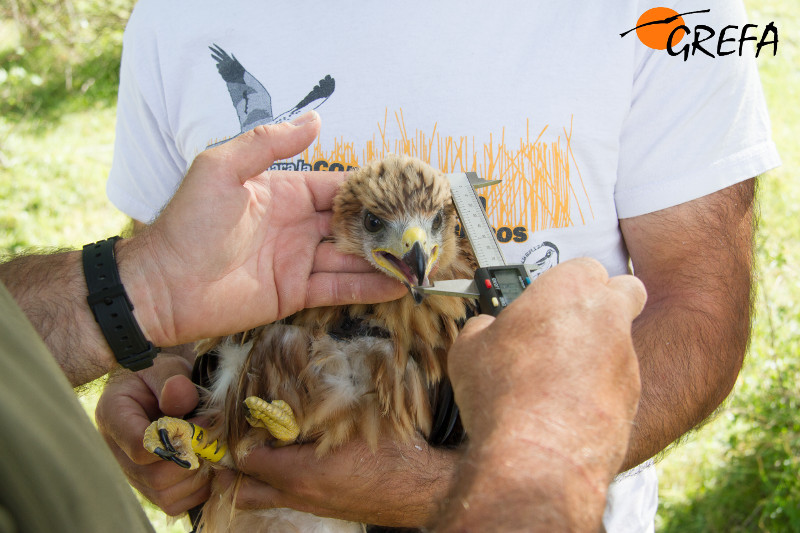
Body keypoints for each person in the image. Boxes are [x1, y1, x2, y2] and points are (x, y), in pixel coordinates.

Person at [98, 1, 781, 531]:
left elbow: (695, 311)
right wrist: (155, 387)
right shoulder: (177, 15)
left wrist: (450, 486)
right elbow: (166, 302)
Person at [0, 115, 647, 532]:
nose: (414, 251)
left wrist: (430, 486)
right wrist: (144, 304)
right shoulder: (272, 277)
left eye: (432, 231)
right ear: (345, 224)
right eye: (379, 228)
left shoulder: (461, 311)